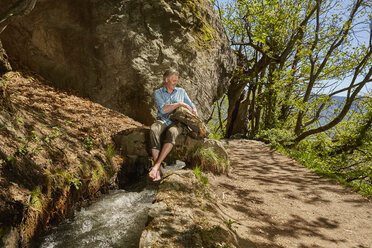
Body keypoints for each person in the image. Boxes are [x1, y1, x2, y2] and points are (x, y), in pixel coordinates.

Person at [148, 69, 197, 181]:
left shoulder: (181, 92)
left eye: (176, 80)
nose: (175, 83)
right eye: (173, 80)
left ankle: (156, 166)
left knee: (172, 132)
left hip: (178, 122)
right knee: (154, 129)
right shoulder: (158, 93)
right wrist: (179, 104)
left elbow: (192, 106)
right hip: (163, 119)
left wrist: (194, 111)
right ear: (166, 80)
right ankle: (158, 168)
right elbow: (164, 109)